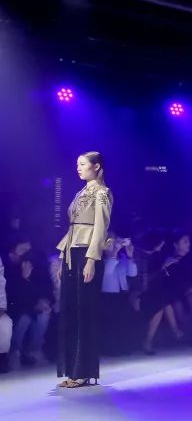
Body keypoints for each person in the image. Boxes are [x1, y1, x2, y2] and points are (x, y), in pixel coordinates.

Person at [55, 151, 113, 388]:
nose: (78, 168)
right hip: (72, 252)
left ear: (96, 166)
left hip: (87, 254)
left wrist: (91, 259)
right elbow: (72, 227)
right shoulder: (80, 192)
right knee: (70, 310)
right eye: (77, 164)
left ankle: (83, 371)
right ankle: (72, 369)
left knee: (84, 313)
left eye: (82, 164)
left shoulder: (102, 193)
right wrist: (63, 256)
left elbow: (100, 228)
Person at [100, 234, 137, 355]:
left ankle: (124, 348)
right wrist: (114, 253)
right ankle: (110, 349)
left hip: (123, 294)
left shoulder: (122, 258)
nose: (114, 244)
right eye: (110, 242)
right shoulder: (98, 260)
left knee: (123, 322)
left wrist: (130, 255)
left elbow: (132, 273)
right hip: (108, 296)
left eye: (115, 241)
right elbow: (107, 272)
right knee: (111, 323)